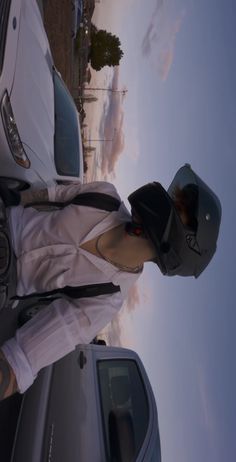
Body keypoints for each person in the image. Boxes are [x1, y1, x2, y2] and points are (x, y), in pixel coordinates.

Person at [0, 164, 221, 400]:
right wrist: (17, 197)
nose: (162, 198)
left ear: (180, 246)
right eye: (172, 196)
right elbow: (56, 194)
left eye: (176, 206)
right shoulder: (105, 196)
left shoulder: (105, 299)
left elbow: (20, 361)